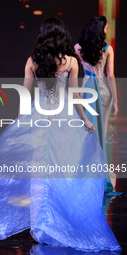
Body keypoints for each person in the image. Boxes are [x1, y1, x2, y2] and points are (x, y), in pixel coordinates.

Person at [0, 18, 121, 252]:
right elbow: (75, 97)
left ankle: (40, 225)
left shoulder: (33, 61)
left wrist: (21, 124)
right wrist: (84, 120)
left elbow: (25, 94)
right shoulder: (71, 62)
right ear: (63, 36)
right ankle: (49, 225)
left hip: (38, 115)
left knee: (37, 172)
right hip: (64, 119)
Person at [75, 16, 119, 194]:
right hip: (103, 92)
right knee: (101, 130)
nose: (107, 30)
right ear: (101, 29)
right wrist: (115, 100)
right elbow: (110, 76)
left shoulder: (78, 48)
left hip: (86, 90)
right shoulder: (107, 49)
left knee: (87, 131)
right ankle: (99, 173)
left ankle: (85, 172)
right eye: (106, 28)